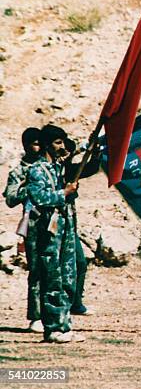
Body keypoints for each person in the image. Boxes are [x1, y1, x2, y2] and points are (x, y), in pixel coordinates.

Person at [26, 124, 84, 343]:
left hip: (65, 229)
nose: (62, 147)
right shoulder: (37, 169)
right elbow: (38, 197)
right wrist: (63, 193)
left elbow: (83, 168)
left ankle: (65, 324)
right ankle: (52, 328)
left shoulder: (60, 168)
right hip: (49, 233)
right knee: (51, 278)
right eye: (58, 142)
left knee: (67, 277)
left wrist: (92, 152)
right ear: (48, 145)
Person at [2, 127, 43, 333]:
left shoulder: (49, 166)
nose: (38, 146)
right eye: (35, 143)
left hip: (54, 223)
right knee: (36, 270)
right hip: (33, 224)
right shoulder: (18, 171)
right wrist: (28, 186)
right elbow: (10, 198)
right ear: (26, 145)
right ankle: (35, 316)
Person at [61, 137, 100, 316]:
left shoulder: (69, 171)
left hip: (69, 226)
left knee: (80, 263)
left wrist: (95, 150)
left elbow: (91, 167)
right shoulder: (47, 171)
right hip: (52, 226)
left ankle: (75, 303)